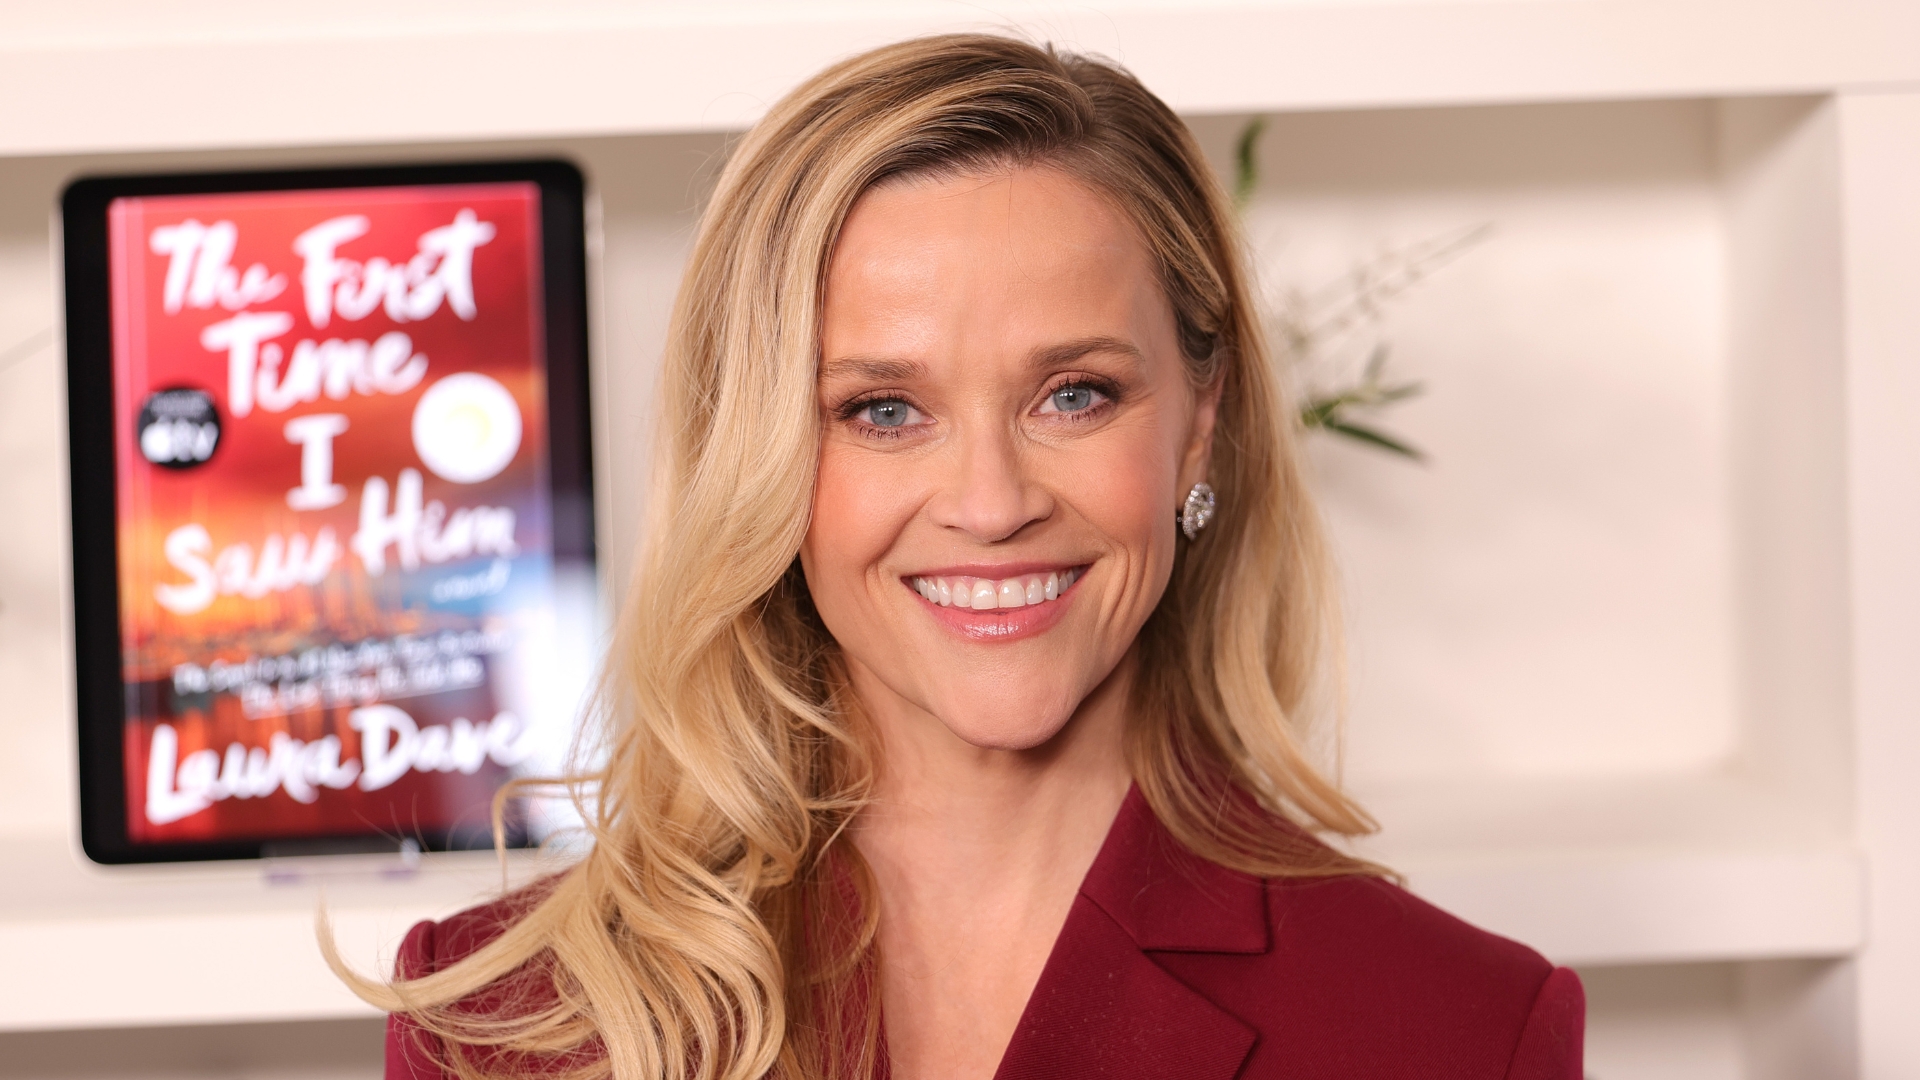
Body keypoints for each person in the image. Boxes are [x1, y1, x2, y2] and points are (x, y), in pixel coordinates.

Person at [331, 33, 1585, 1080]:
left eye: (1076, 394)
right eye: (883, 409)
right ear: (762, 461)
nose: (989, 504)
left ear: (1201, 427)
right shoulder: (503, 1027)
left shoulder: (1463, 1031)